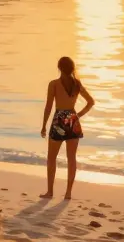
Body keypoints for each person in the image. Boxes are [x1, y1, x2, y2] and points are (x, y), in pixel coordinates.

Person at [40, 56, 95, 200]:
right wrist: (77, 116)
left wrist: (44, 126)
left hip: (59, 120)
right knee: (71, 158)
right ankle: (68, 193)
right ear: (72, 68)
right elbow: (91, 102)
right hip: (72, 120)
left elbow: (48, 107)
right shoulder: (77, 84)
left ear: (59, 68)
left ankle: (50, 192)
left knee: (52, 158)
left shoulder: (54, 84)